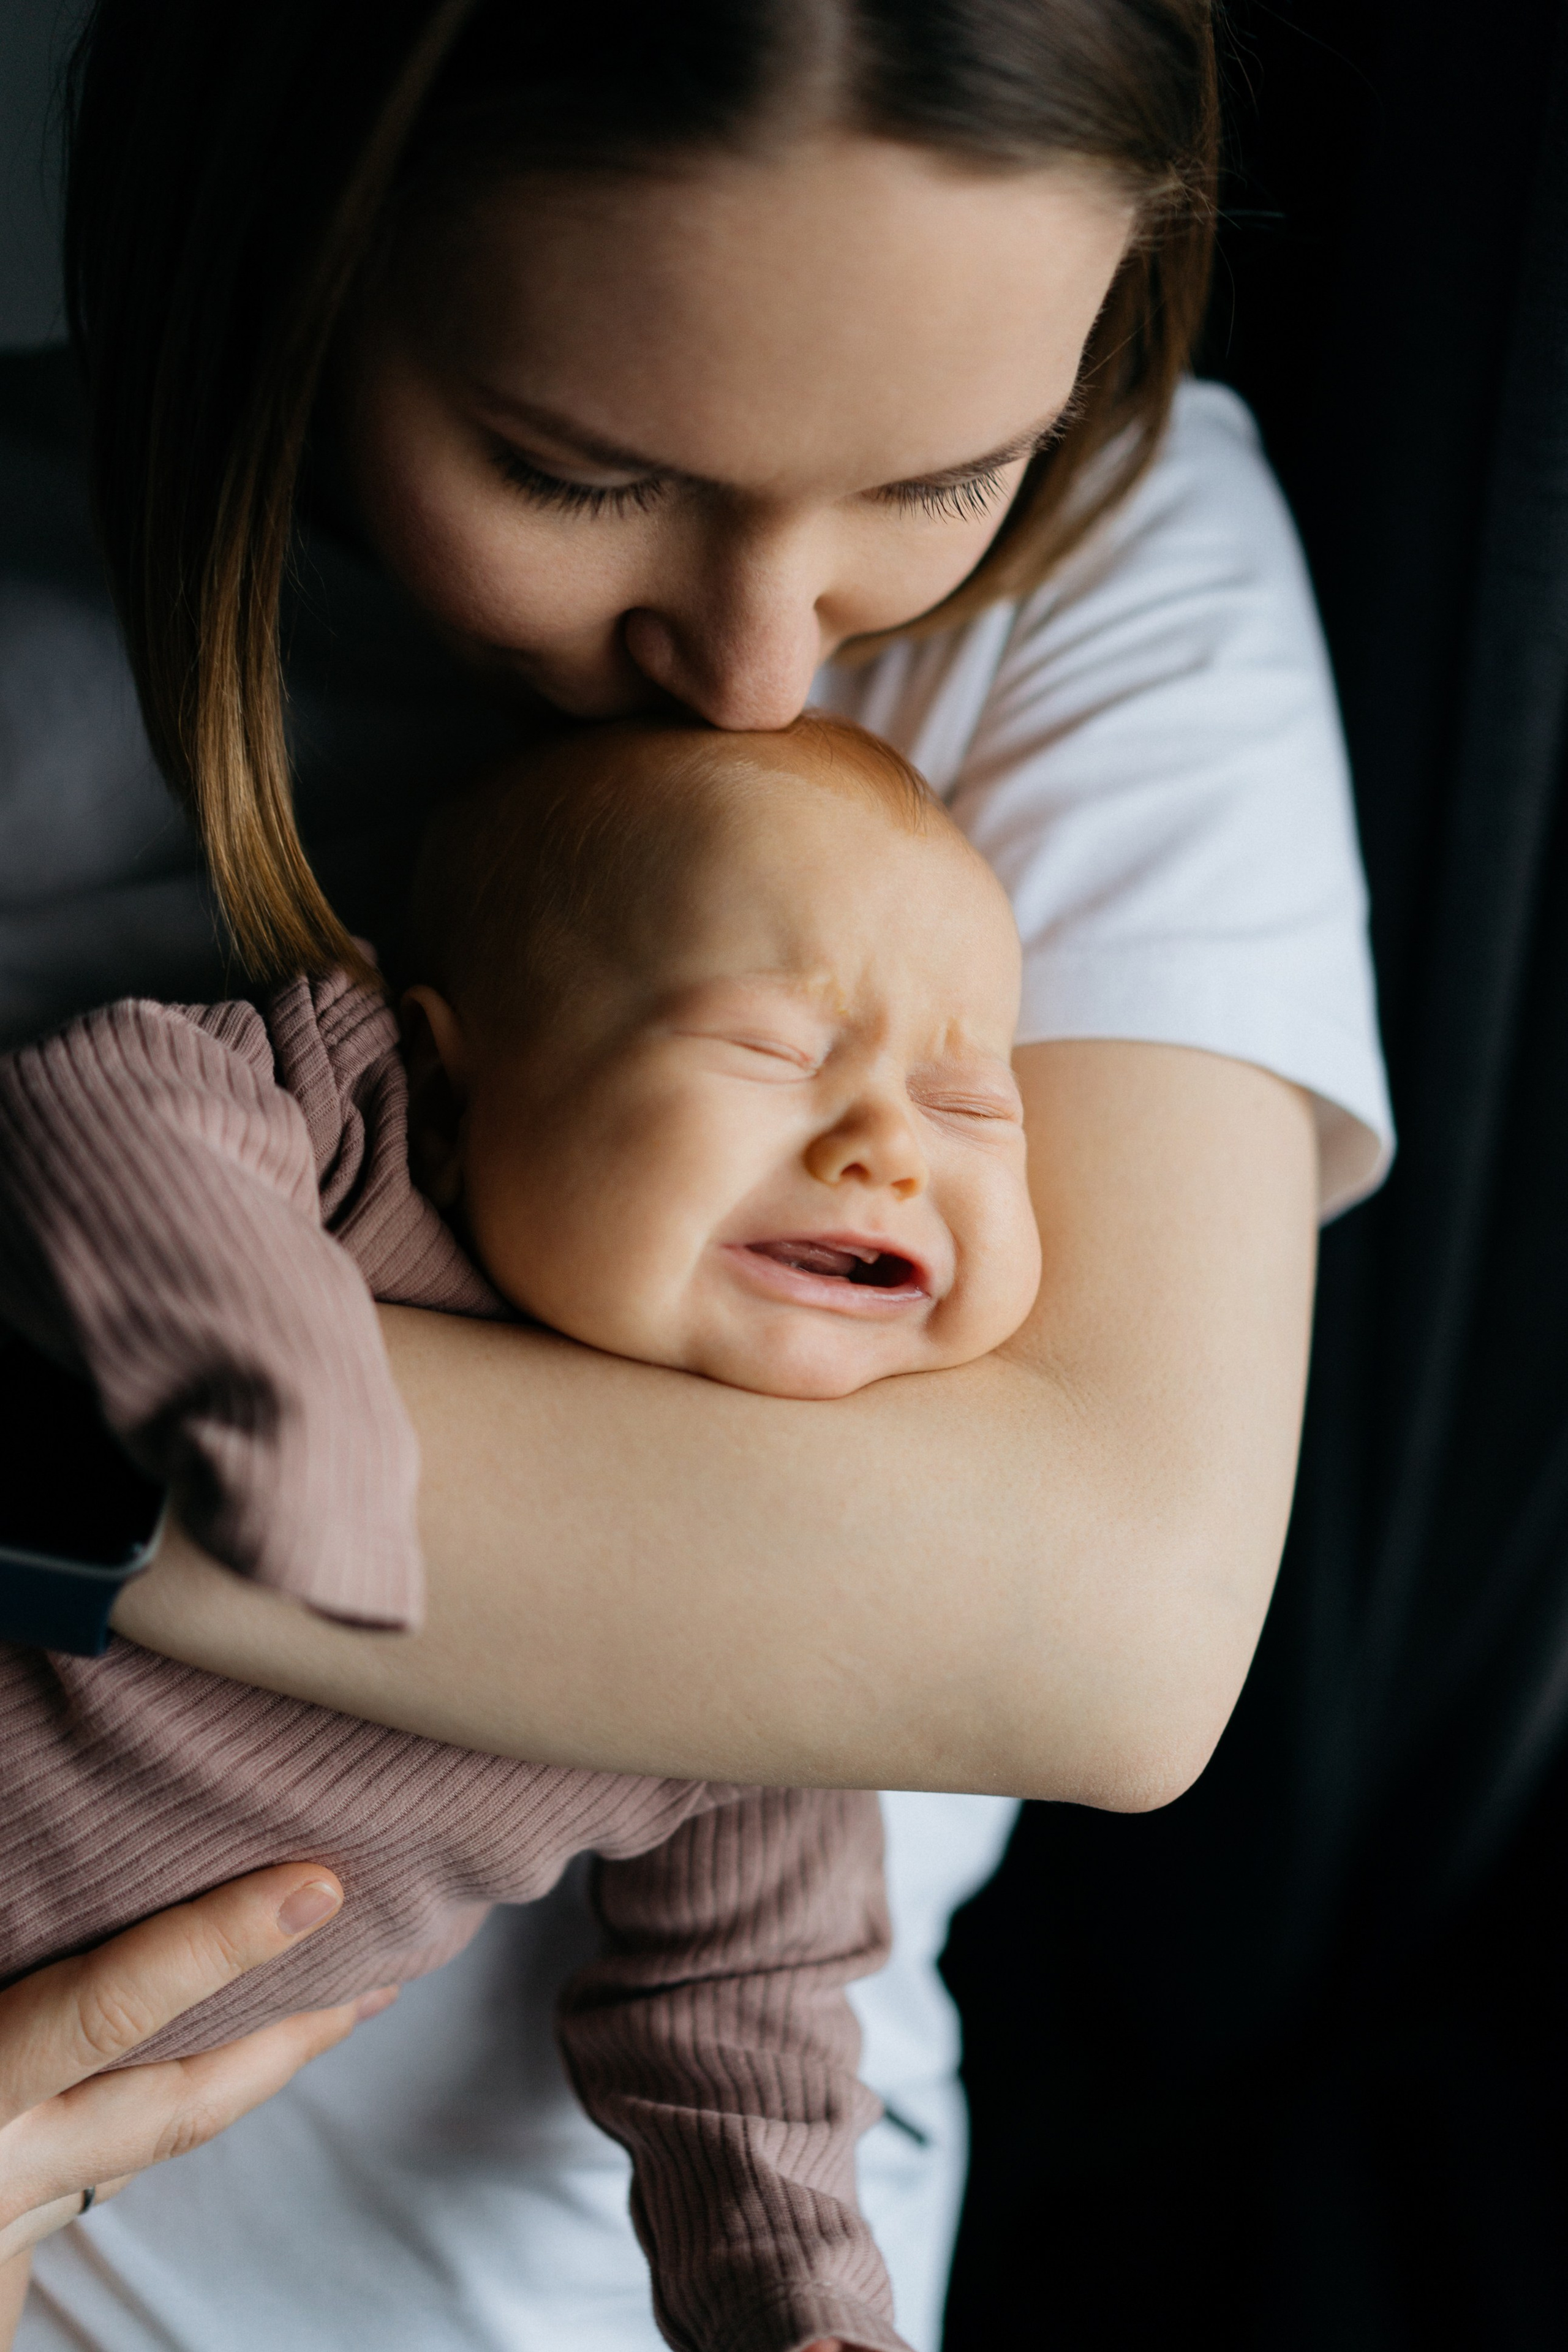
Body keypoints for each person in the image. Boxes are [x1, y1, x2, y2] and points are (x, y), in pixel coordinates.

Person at [0, 1, 1393, 2346]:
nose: (759, 668)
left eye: (942, 478)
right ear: (288, 247)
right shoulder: (296, 1052)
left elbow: (1093, 1637)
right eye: (571, 471)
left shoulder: (1131, 572)